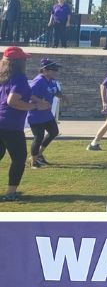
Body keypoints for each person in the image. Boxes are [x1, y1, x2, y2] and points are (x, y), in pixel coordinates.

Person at [0, 46, 51, 201]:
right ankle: (10, 193)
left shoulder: (3, 76)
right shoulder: (19, 78)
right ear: (18, 62)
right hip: (10, 125)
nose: (26, 61)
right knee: (19, 158)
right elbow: (13, 101)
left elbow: (15, 95)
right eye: (24, 59)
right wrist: (35, 106)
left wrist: (35, 100)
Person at [27, 58, 66, 168]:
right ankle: (33, 162)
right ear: (45, 70)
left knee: (54, 131)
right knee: (38, 137)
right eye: (54, 69)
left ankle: (38, 155)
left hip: (47, 114)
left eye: (56, 69)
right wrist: (40, 101)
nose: (56, 72)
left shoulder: (52, 81)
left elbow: (55, 91)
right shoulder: (38, 81)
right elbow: (28, 94)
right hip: (36, 115)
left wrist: (63, 96)